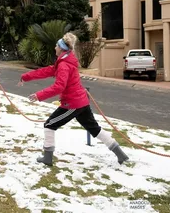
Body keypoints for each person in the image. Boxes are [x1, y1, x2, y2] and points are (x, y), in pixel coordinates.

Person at [18, 33, 129, 166]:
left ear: (62, 48)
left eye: (56, 46)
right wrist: (25, 77)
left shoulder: (64, 64)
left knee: (49, 125)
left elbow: (59, 86)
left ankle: (47, 158)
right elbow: (47, 71)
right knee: (95, 129)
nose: (54, 48)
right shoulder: (65, 60)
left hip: (72, 104)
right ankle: (121, 155)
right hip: (81, 101)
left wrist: (39, 95)